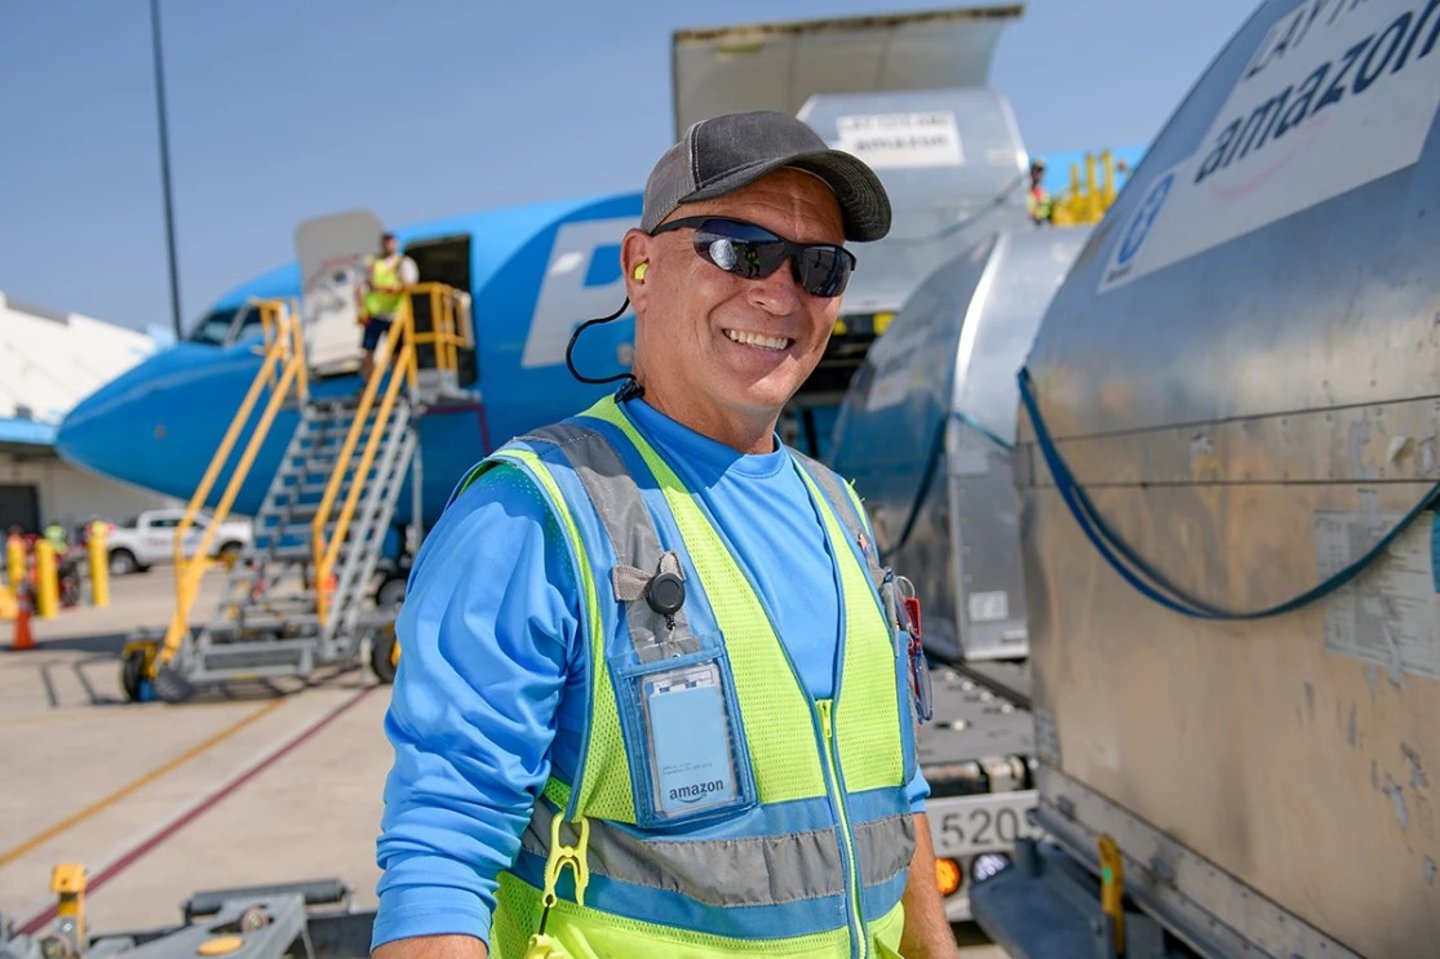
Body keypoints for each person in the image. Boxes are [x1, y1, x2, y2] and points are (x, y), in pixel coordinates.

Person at [373, 111, 956, 959]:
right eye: (739, 248)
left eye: (820, 266)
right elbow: (440, 857)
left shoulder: (838, 511)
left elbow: (892, 801)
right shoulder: (536, 514)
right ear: (640, 267)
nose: (780, 291)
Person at [358, 231, 418, 384]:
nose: (388, 246)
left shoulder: (403, 262)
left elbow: (410, 285)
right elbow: (362, 286)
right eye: (386, 242)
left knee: (397, 351)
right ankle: (369, 385)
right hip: (375, 313)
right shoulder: (372, 263)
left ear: (396, 244)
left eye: (391, 242)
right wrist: (361, 310)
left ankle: (397, 383)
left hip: (395, 314)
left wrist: (398, 284)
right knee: (368, 350)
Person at [1027, 158, 1053, 224]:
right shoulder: (1024, 192)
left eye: (1040, 171)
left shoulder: (1045, 195)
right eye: (1036, 170)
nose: (1038, 174)